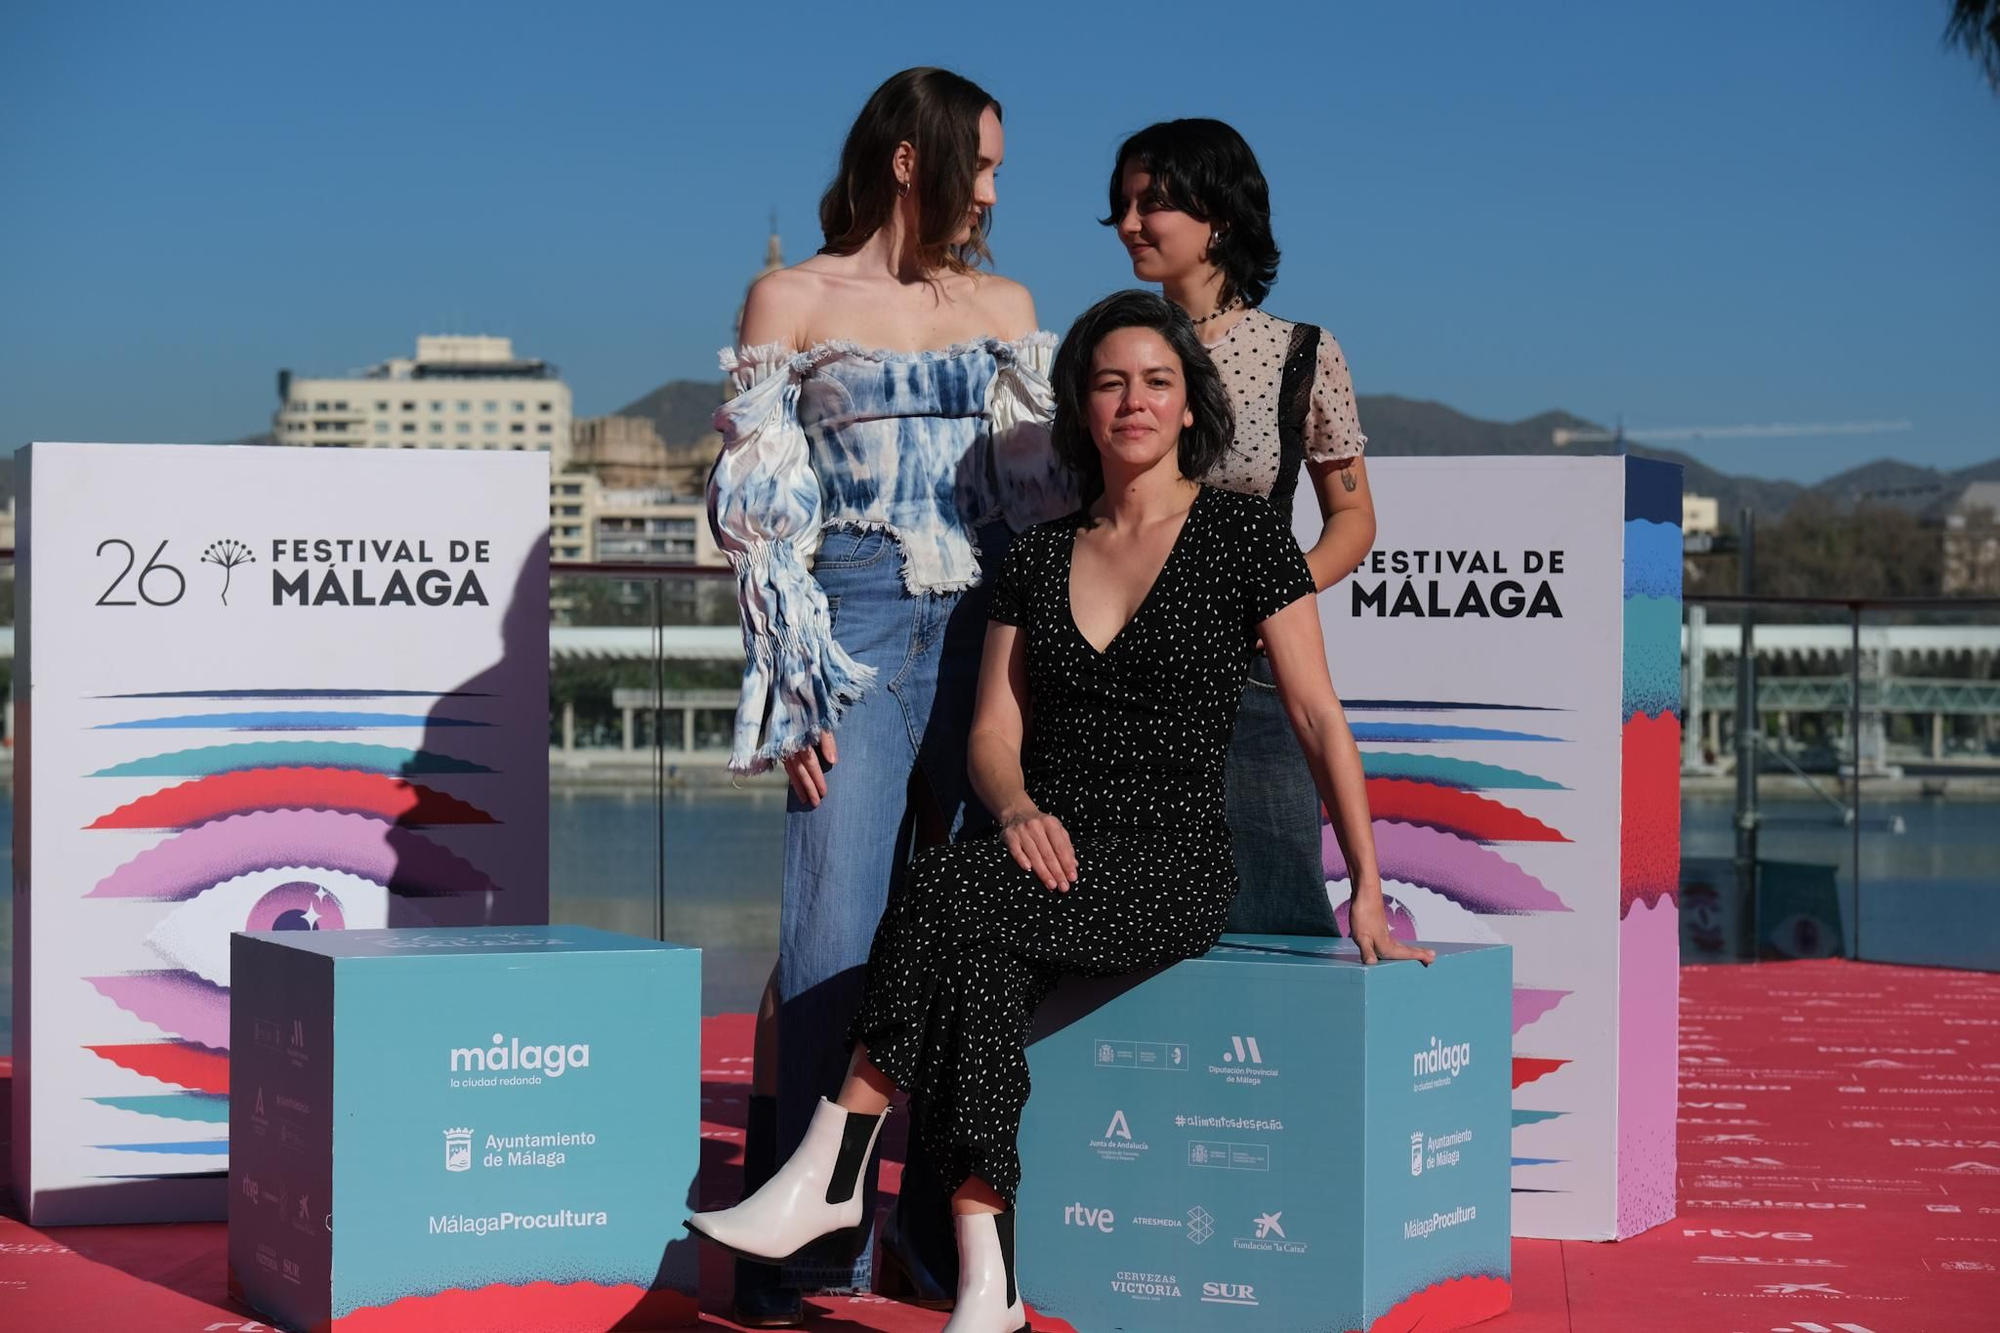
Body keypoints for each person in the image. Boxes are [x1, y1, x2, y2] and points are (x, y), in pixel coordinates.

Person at [689, 290, 1431, 1332]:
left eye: (1156, 381)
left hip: (1166, 863)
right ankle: (987, 1284)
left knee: (945, 883)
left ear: (1189, 407)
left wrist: (1365, 888)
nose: (1132, 400)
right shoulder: (1035, 555)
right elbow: (992, 735)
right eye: (1109, 381)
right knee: (980, 969)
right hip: (1047, 852)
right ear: (1080, 405)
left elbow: (1314, 714)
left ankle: (833, 1159)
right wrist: (1018, 803)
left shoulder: (1237, 538)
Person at [706, 67, 1071, 1324]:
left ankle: (945, 1237)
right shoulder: (792, 297)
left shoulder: (1006, 304)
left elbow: (1041, 505)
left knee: (972, 946)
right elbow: (764, 520)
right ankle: (811, 1269)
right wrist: (796, 684)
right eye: (979, 161)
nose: (991, 187)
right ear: (907, 159)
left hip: (989, 626)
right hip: (852, 622)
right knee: (829, 939)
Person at [1106, 117, 1378, 937]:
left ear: (1218, 216)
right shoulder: (1114, 345)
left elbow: (1353, 518)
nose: (1128, 225)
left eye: (1150, 204)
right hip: (1125, 682)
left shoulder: (1303, 353)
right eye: (1121, 206)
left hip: (1253, 684)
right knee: (1125, 915)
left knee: (1276, 904)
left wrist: (1273, 597)